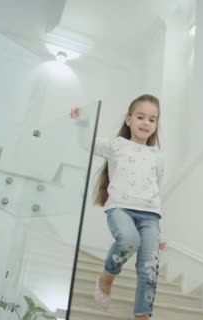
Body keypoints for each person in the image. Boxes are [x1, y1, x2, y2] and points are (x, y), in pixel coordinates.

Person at [71, 94, 166, 320]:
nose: (146, 123)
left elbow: (156, 190)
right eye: (141, 117)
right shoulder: (116, 145)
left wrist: (161, 232)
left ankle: (142, 316)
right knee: (128, 240)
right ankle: (107, 277)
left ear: (156, 125)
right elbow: (88, 143)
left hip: (150, 216)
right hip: (121, 208)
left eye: (152, 120)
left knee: (149, 269)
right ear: (128, 119)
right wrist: (82, 121)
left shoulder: (157, 156)